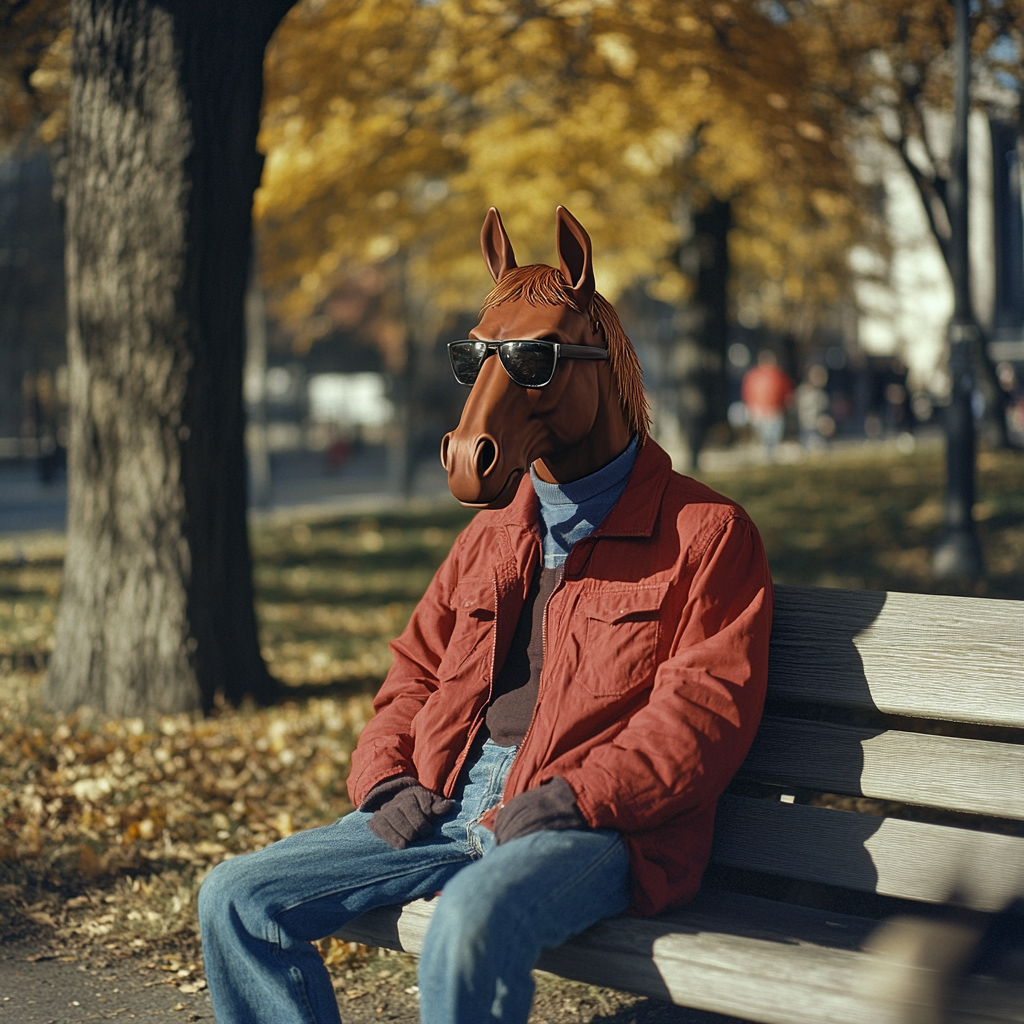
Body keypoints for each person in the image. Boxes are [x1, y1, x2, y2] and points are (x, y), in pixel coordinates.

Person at [199, 211, 773, 1024]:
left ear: (590, 366)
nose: (493, 389)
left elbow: (702, 716)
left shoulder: (706, 535)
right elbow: (414, 673)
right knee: (234, 896)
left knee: (466, 923)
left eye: (531, 363)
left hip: (595, 825)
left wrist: (578, 795)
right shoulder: (490, 536)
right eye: (479, 362)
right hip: (441, 801)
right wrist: (385, 778)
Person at [742, 350, 794, 456]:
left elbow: (786, 391)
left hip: (771, 410)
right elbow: (748, 392)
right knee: (767, 437)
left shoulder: (776, 374)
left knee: (770, 437)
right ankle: (767, 454)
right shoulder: (758, 375)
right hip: (765, 410)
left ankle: (768, 455)